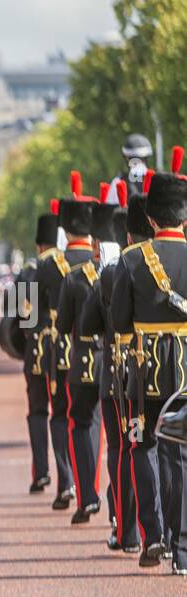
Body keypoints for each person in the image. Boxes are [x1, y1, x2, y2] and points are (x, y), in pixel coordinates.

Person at [110, 147, 187, 574]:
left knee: (142, 445)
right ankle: (184, 550)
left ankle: (154, 533)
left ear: (152, 219)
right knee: (184, 453)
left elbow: (120, 322)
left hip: (144, 376)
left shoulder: (133, 259)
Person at [80, 181, 144, 553]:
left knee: (124, 448)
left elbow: (88, 326)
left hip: (118, 383)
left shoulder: (109, 274)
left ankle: (126, 529)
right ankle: (160, 532)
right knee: (152, 449)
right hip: (163, 378)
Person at [37, 182, 96, 512]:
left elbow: (28, 314)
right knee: (95, 422)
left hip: (59, 349)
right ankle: (92, 486)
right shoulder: (101, 263)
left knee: (60, 416)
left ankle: (67, 482)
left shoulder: (48, 264)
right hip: (95, 348)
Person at [53, 175, 104, 523]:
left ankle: (74, 488)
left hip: (69, 354)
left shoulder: (46, 265)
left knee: (68, 419)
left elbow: (23, 315)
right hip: (111, 357)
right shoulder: (111, 264)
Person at [19, 211, 60, 493]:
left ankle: (42, 472)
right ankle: (67, 481)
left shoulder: (30, 272)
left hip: (36, 351)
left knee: (37, 412)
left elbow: (25, 319)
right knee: (62, 415)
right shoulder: (67, 268)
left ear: (39, 245)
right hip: (64, 353)